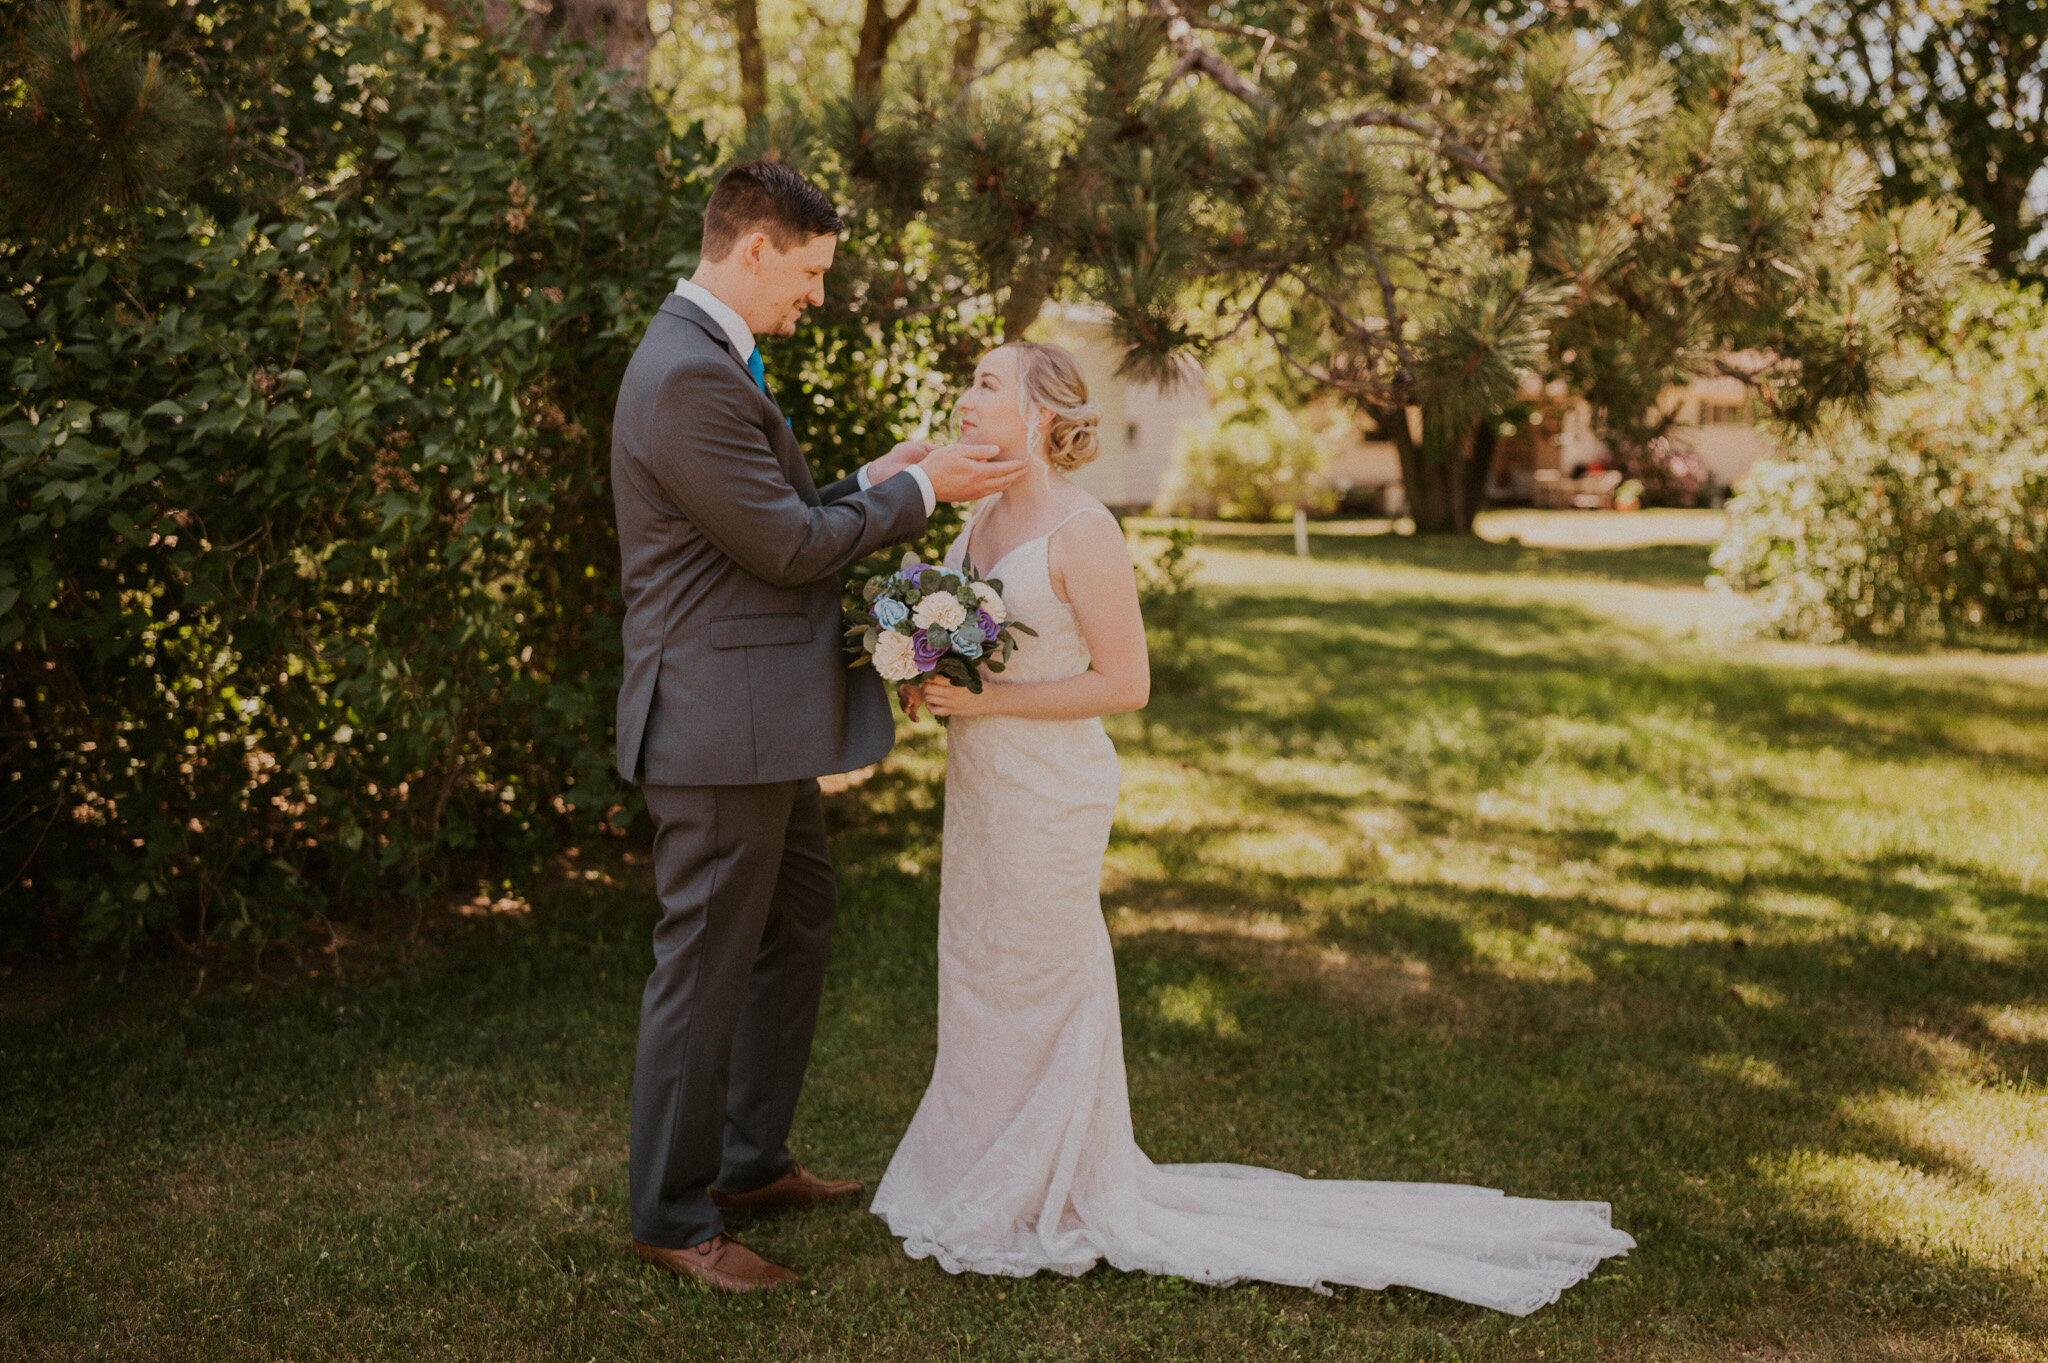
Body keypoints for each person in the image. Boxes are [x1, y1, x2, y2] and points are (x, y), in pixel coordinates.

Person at [870, 342, 1636, 1314]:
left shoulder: (1082, 528)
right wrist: (930, 674)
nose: (967, 396)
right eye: (969, 382)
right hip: (979, 786)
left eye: (987, 383)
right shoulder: (974, 513)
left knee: (1037, 976)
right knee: (978, 971)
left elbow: (1125, 683)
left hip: (1049, 790)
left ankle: (1050, 1182)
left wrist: (989, 704)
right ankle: (974, 1167)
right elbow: (970, 645)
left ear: (1042, 410)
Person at [609, 161, 1025, 1293]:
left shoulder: (707, 359)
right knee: (700, 969)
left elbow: (766, 517)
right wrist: (924, 490)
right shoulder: (686, 374)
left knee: (796, 924)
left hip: (755, 722)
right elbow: (789, 551)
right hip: (714, 729)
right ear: (752, 251)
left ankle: (748, 1160)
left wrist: (871, 476)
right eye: (808, 271)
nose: (816, 295)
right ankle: (673, 1214)